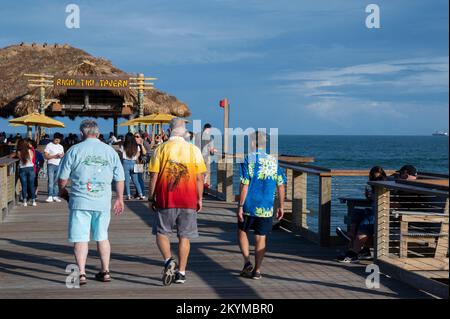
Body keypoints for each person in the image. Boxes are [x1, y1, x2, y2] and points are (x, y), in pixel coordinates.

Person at [58, 119, 125, 285]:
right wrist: (120, 198)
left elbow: (62, 178)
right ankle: (106, 271)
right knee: (102, 236)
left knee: (80, 238)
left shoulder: (74, 150)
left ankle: (81, 274)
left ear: (82, 133)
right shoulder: (110, 151)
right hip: (102, 201)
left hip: (80, 200)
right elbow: (120, 178)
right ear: (98, 133)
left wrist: (62, 190)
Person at [148, 118, 206, 285]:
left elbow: (154, 176)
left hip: (166, 198)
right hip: (189, 199)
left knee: (162, 233)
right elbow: (200, 178)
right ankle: (181, 272)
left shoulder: (161, 149)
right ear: (184, 132)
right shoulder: (194, 150)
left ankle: (168, 260)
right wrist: (200, 198)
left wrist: (151, 197)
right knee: (184, 237)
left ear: (169, 130)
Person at [237, 131, 286, 280]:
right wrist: (281, 206)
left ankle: (247, 262)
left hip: (249, 204)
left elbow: (244, 183)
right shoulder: (273, 160)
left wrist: (240, 205)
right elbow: (281, 184)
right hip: (266, 206)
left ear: (252, 143)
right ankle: (257, 270)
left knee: (242, 231)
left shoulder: (248, 159)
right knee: (261, 237)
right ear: (265, 144)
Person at [337, 166, 387, 263]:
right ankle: (362, 248)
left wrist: (374, 196)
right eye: (372, 176)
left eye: (375, 176)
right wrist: (370, 197)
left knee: (367, 220)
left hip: (381, 214)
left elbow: (385, 201)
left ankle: (353, 253)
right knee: (357, 213)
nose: (373, 178)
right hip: (374, 211)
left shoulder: (383, 183)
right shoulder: (375, 185)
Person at [120, 133, 145, 200]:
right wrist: (134, 158)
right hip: (134, 163)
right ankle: (141, 195)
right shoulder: (136, 146)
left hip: (126, 163)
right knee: (136, 181)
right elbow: (138, 154)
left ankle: (128, 195)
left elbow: (121, 155)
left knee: (127, 181)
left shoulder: (123, 146)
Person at [44, 133, 64, 203]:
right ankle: (50, 196)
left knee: (56, 181)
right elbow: (46, 156)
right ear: (53, 138)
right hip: (51, 164)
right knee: (51, 181)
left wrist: (61, 155)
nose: (57, 141)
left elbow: (62, 155)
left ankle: (55, 196)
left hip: (58, 164)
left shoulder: (61, 146)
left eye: (59, 140)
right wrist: (54, 156)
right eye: (56, 140)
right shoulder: (49, 145)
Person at [16, 139, 37, 207]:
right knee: (31, 186)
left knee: (24, 186)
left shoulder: (19, 152)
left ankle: (25, 201)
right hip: (31, 169)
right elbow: (32, 158)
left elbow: (19, 158)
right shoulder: (30, 151)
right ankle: (33, 201)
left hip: (22, 169)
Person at [197, 123, 216, 190]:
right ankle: (204, 185)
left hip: (197, 157)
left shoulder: (197, 135)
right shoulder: (210, 138)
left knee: (199, 173)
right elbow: (211, 151)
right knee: (206, 172)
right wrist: (213, 151)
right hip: (205, 157)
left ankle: (198, 186)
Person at [134, 133, 147, 199]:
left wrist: (141, 144)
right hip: (133, 163)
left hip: (139, 163)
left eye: (137, 136)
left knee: (139, 179)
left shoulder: (142, 144)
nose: (136, 138)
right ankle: (138, 193)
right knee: (135, 179)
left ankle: (142, 193)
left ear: (140, 138)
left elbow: (144, 153)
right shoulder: (133, 144)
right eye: (135, 136)